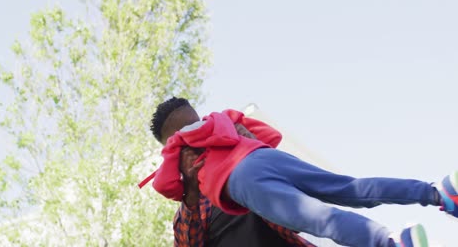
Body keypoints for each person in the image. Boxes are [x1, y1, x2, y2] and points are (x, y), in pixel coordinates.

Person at [139, 97, 458, 247]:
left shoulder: (214, 153)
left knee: (320, 215)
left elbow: (268, 141)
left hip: (255, 171)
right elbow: (187, 241)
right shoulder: (190, 214)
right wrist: (191, 194)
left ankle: (390, 241)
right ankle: (438, 193)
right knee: (349, 188)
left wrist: (243, 140)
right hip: (260, 164)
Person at [173, 132, 316, 247]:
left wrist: (256, 152)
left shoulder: (244, 172)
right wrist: (191, 190)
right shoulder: (191, 212)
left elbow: (299, 215)